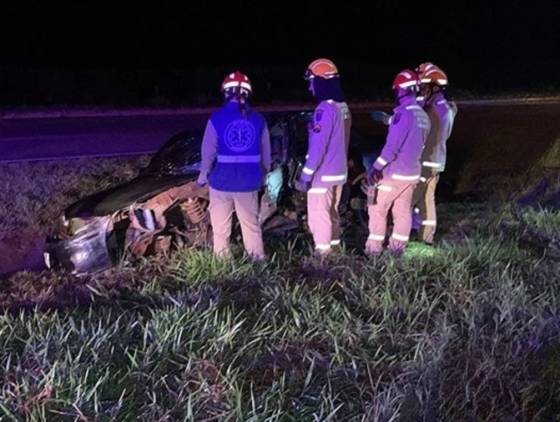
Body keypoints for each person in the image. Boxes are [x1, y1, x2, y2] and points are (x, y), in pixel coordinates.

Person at [196, 71, 271, 260]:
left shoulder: (216, 118)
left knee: (221, 229)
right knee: (251, 226)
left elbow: (208, 152)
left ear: (225, 92)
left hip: (221, 182)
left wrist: (203, 177)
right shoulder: (258, 119)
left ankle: (223, 265)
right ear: (247, 93)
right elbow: (267, 155)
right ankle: (257, 262)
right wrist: (263, 176)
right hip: (248, 183)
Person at [365, 70, 430, 257]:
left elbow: (391, 148)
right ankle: (397, 250)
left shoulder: (403, 114)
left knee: (377, 209)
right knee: (403, 212)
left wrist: (376, 168)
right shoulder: (422, 115)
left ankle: (373, 251)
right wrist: (387, 119)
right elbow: (409, 131)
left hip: (394, 174)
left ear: (401, 91)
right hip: (411, 174)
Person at [294, 58, 352, 254]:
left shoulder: (324, 109)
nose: (310, 87)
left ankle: (324, 258)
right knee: (332, 214)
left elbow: (318, 148)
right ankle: (335, 253)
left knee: (319, 217)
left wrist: (305, 176)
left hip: (323, 174)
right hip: (339, 172)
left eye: (312, 82)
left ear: (321, 81)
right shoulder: (343, 107)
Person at [412, 63, 458, 244]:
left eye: (424, 86)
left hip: (425, 161)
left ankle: (398, 238)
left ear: (435, 87)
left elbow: (418, 129)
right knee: (427, 201)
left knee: (408, 201)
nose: (421, 90)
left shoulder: (432, 109)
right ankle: (426, 239)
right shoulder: (446, 107)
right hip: (437, 161)